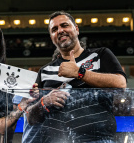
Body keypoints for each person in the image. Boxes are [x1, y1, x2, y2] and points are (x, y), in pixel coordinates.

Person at [26, 11, 127, 143]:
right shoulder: (45, 71)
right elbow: (30, 118)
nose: (60, 30)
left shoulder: (100, 55)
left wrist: (79, 73)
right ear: (52, 37)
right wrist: (43, 102)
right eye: (54, 29)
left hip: (97, 139)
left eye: (64, 25)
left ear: (77, 29)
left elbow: (121, 83)